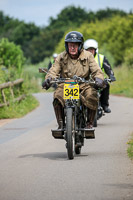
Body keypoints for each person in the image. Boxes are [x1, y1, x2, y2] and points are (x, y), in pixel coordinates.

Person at [42, 31, 104, 130]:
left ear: (80, 46)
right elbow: (53, 70)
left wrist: (99, 79)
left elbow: (96, 70)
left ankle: (89, 123)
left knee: (92, 94)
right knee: (57, 97)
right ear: (66, 46)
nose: (72, 48)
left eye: (75, 45)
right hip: (65, 84)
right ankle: (61, 124)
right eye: (70, 45)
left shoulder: (88, 56)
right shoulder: (61, 57)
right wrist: (49, 79)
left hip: (84, 84)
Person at [84, 39, 116, 113]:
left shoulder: (101, 58)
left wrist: (111, 75)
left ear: (95, 50)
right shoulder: (81, 58)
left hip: (98, 80)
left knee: (106, 85)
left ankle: (104, 105)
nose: (90, 51)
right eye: (88, 50)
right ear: (85, 50)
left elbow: (108, 68)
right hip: (85, 80)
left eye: (92, 49)